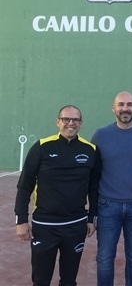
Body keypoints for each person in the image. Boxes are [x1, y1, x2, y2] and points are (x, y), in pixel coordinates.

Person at [15, 105, 101, 286]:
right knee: (40, 279)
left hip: (75, 226)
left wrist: (92, 218)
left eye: (75, 120)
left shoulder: (91, 150)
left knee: (69, 280)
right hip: (45, 225)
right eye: (66, 119)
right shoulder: (41, 147)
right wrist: (21, 220)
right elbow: (24, 186)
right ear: (58, 122)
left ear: (81, 123)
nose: (71, 123)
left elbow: (94, 188)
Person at [91, 91, 132, 286]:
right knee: (104, 257)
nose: (125, 109)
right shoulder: (100, 135)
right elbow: (92, 175)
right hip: (107, 206)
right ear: (113, 108)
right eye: (120, 105)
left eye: (129, 105)